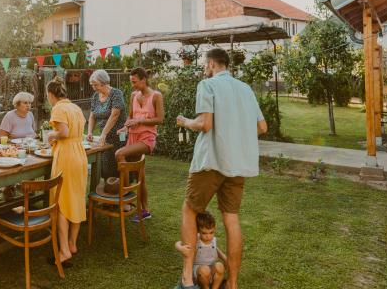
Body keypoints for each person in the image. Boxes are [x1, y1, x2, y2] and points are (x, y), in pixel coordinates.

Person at [174, 48, 267, 289]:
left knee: (190, 210)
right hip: (237, 164)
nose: (206, 68)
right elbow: (262, 126)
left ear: (213, 63)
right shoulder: (246, 89)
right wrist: (236, 135)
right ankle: (233, 284)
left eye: (206, 64)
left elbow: (205, 124)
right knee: (231, 219)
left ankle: (187, 277)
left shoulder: (208, 85)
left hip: (211, 161)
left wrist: (185, 122)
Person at [46, 77, 88, 267]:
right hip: (79, 153)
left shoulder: (58, 108)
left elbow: (63, 132)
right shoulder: (76, 108)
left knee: (61, 201)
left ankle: (63, 251)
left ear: (50, 95)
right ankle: (72, 244)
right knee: (76, 197)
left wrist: (51, 135)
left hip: (66, 157)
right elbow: (73, 132)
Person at [115, 67, 164, 222]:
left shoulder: (156, 96)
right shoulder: (133, 96)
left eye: (134, 82)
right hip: (133, 136)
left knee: (120, 154)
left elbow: (160, 119)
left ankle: (126, 199)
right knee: (140, 175)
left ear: (143, 79)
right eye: (131, 82)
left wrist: (140, 121)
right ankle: (145, 210)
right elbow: (130, 117)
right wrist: (124, 127)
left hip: (147, 138)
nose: (132, 85)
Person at [87, 69, 127, 179]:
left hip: (118, 136)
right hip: (104, 137)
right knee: (105, 165)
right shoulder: (95, 96)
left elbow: (114, 115)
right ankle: (107, 188)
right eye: (92, 85)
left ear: (103, 82)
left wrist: (103, 134)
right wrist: (90, 132)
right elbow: (92, 116)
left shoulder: (116, 94)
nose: (93, 87)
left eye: (95, 85)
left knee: (116, 165)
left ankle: (119, 189)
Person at [192, 211, 227, 289]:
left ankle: (215, 287)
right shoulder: (196, 240)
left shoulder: (213, 239)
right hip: (199, 270)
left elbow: (215, 248)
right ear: (198, 230)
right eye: (204, 233)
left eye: (211, 232)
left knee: (220, 266)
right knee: (204, 270)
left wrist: (224, 257)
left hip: (211, 267)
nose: (208, 236)